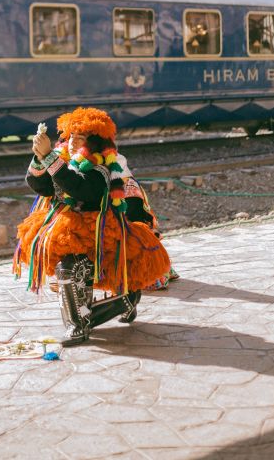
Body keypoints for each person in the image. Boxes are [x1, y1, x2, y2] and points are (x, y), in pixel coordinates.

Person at [13, 107, 174, 346]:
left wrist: (49, 158)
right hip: (64, 227)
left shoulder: (102, 167)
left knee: (70, 270)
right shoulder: (63, 160)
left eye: (80, 138)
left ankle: (81, 324)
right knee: (72, 274)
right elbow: (42, 186)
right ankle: (118, 304)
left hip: (98, 231)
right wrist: (39, 157)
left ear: (95, 141)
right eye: (70, 136)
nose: (72, 142)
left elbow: (80, 189)